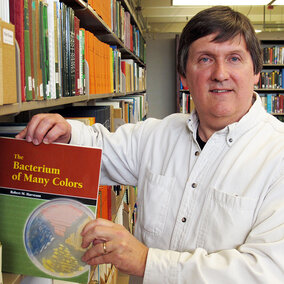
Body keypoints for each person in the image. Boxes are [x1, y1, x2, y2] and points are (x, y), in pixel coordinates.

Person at [16, 6, 284, 283]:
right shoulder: (158, 134)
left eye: (234, 58)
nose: (220, 73)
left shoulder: (279, 155)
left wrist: (147, 261)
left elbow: (267, 272)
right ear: (183, 76)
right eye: (205, 59)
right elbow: (99, 149)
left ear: (256, 73)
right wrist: (66, 133)